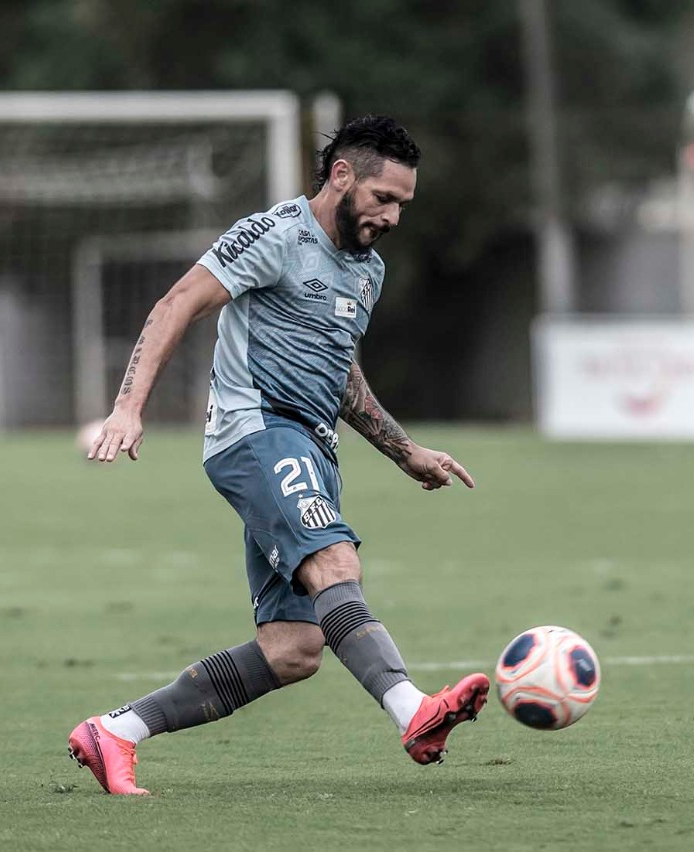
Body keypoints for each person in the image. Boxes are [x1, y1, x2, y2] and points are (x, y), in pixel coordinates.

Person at [68, 116, 487, 795]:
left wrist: (403, 450)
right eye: (383, 198)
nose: (392, 217)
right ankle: (414, 712)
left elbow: (339, 370)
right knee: (335, 563)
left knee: (293, 650)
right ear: (342, 176)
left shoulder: (367, 270)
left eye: (403, 205)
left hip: (311, 448)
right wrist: (127, 406)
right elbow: (177, 303)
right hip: (256, 432)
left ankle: (114, 731)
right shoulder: (274, 235)